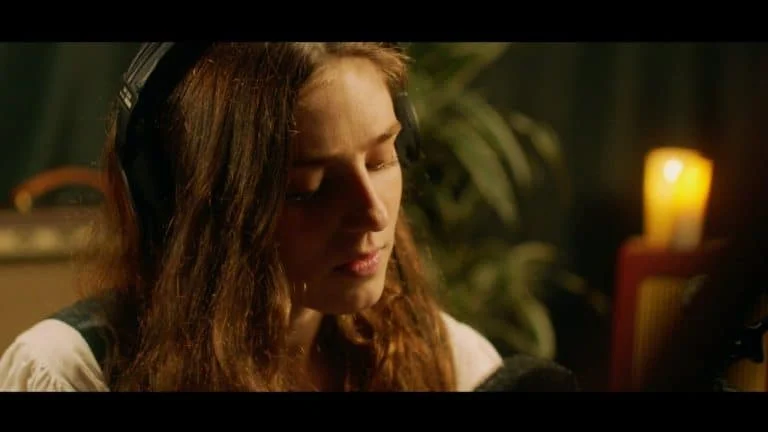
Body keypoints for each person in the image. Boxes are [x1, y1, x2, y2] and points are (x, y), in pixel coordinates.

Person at [0, 42, 502, 391]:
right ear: (200, 208)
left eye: (380, 160)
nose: (371, 213)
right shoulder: (69, 375)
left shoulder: (453, 363)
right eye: (308, 190)